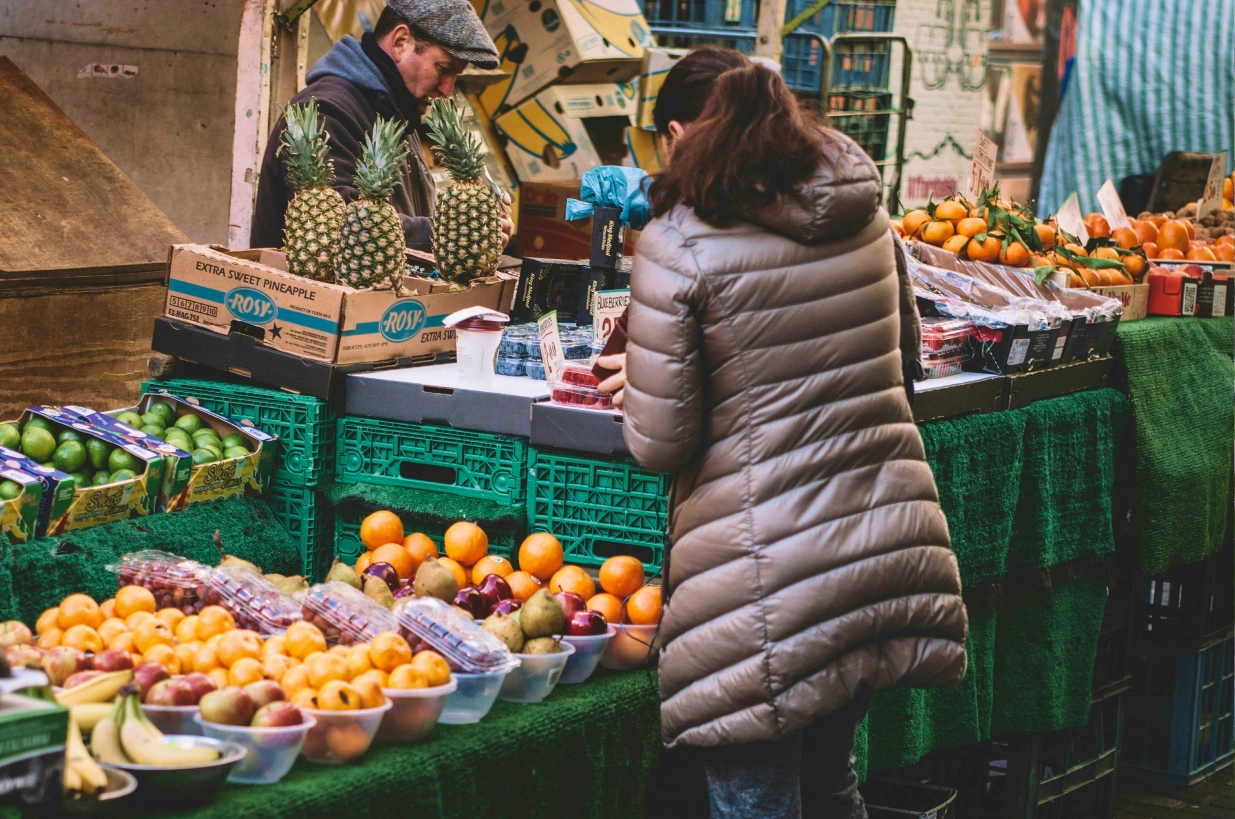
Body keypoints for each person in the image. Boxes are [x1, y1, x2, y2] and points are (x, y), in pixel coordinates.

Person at [597, 47, 968, 818]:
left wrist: (641, 381)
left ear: (679, 137)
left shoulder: (679, 240)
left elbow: (660, 443)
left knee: (753, 801)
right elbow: (904, 363)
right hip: (879, 544)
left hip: (766, 579)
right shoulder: (867, 216)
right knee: (832, 783)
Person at [251, 1, 513, 254]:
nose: (447, 90)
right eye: (443, 69)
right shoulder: (325, 110)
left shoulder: (398, 109)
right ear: (401, 43)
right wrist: (452, 233)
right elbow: (334, 224)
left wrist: (474, 222)